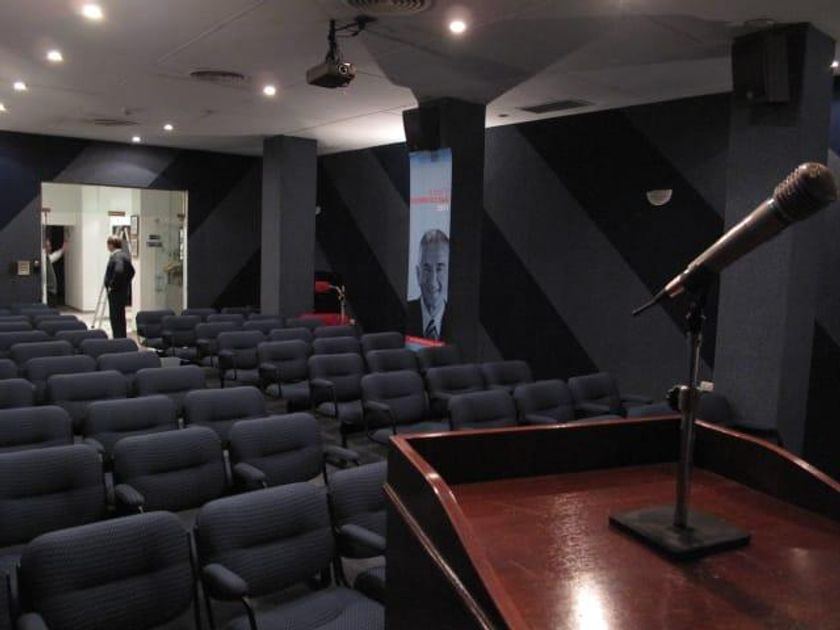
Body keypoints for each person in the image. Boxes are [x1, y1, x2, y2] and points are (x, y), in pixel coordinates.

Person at [406, 229, 450, 340]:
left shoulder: (461, 322)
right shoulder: (402, 314)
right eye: (427, 269)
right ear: (418, 274)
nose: (432, 281)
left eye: (439, 269)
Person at [103, 235, 135, 339]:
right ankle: (122, 338)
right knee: (121, 317)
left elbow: (119, 271)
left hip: (115, 293)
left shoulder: (116, 257)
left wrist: (112, 285)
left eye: (108, 244)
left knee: (115, 318)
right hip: (122, 292)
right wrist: (125, 283)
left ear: (111, 245)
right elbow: (132, 271)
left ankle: (118, 339)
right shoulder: (124, 256)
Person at [43, 237, 67, 307]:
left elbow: (55, 256)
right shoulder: (43, 260)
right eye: (48, 246)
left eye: (49, 246)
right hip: (48, 292)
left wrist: (62, 249)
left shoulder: (48, 258)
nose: (50, 248)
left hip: (52, 292)